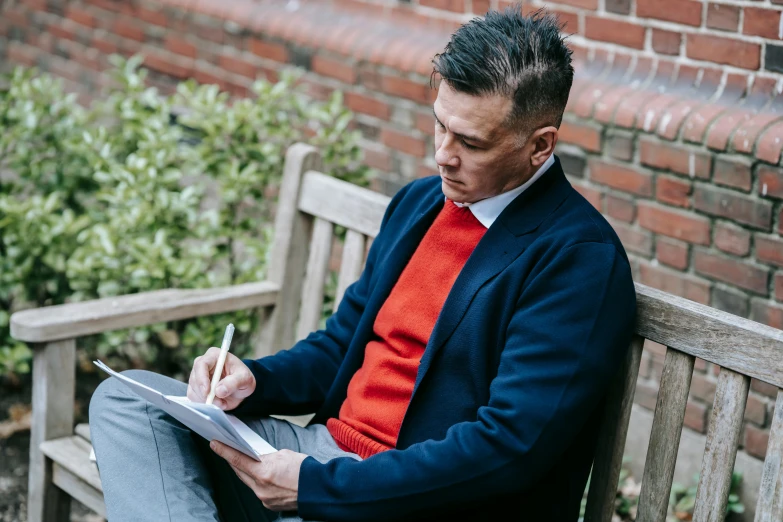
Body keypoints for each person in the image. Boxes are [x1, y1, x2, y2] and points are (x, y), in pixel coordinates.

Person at [90, 8, 636, 522]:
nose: (443, 154)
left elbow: (508, 448)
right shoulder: (421, 204)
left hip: (413, 499)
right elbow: (341, 345)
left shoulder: (578, 260)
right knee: (128, 402)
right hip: (322, 457)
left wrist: (315, 488)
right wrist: (252, 379)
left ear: (539, 146)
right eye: (440, 125)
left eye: (470, 142)